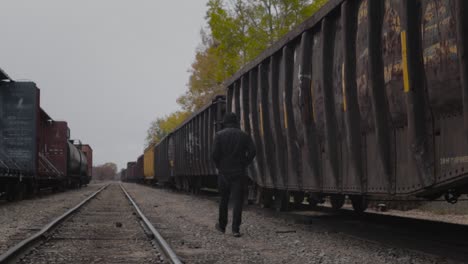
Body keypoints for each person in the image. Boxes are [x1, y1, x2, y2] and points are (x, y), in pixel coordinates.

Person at [212, 112, 256, 237]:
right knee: (238, 201)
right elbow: (253, 151)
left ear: (225, 122)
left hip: (224, 172)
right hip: (239, 172)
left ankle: (221, 226)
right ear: (236, 122)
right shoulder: (244, 135)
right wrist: (245, 163)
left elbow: (214, 154)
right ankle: (235, 229)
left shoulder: (219, 135)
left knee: (224, 200)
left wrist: (219, 166)